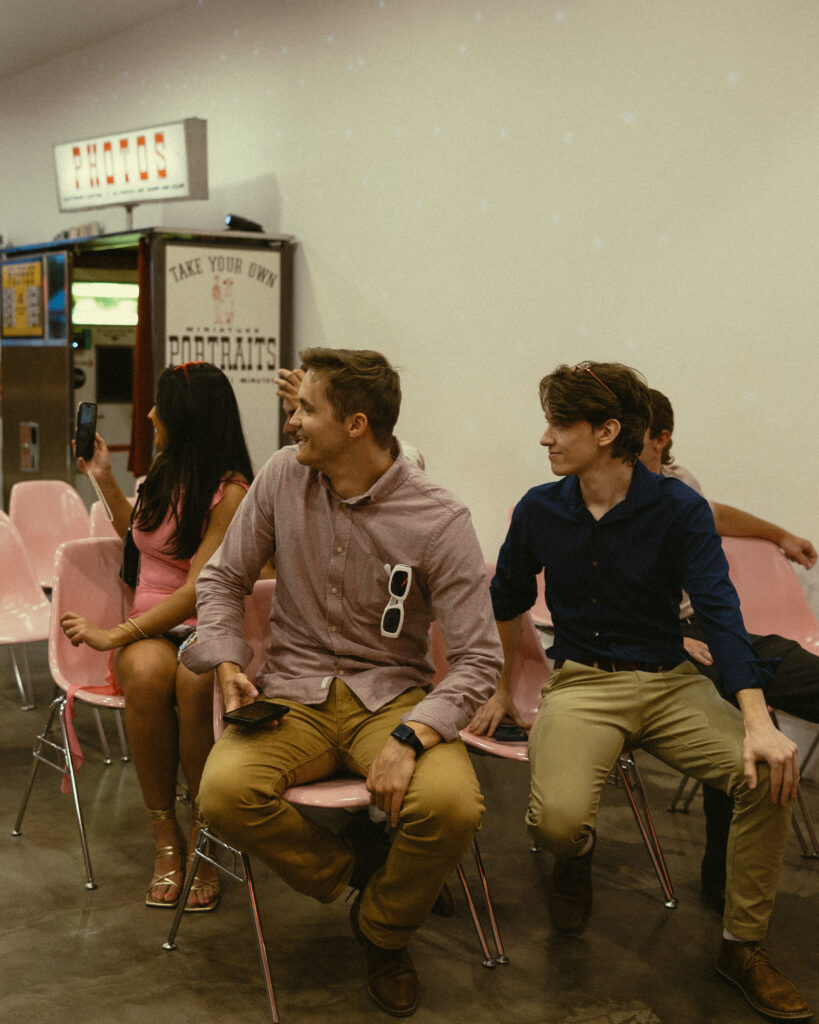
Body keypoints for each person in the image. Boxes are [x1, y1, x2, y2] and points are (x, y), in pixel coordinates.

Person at [469, 361, 810, 1022]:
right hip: (582, 683)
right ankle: (576, 857)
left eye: (558, 424)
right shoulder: (539, 510)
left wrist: (757, 720)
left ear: (606, 432)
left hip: (668, 681)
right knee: (557, 824)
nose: (544, 438)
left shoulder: (676, 508)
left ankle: (743, 946)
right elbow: (503, 601)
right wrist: (502, 688)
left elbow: (719, 612)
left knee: (764, 774)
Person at [183, 347, 502, 1017]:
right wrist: (229, 661)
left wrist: (413, 736)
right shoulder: (279, 479)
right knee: (222, 794)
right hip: (290, 695)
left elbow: (478, 660)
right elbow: (221, 578)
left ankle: (382, 931)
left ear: (356, 424)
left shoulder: (438, 519)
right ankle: (366, 873)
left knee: (451, 807)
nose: (291, 421)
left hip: (393, 697)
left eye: (305, 409)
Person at [60, 362, 253, 913]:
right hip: (153, 628)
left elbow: (198, 591)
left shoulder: (231, 492)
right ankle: (166, 839)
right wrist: (103, 476)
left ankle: (205, 827)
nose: (147, 415)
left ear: (185, 418)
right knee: (144, 672)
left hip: (206, 626)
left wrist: (112, 633)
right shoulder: (165, 473)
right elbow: (140, 538)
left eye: (158, 407)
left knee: (194, 685)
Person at [641, 387, 819, 912]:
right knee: (738, 727)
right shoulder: (603, 498)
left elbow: (713, 513)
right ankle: (724, 885)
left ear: (661, 440)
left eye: (635, 436)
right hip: (660, 642)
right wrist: (674, 639)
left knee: (800, 672)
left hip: (717, 629)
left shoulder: (678, 486)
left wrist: (782, 534)